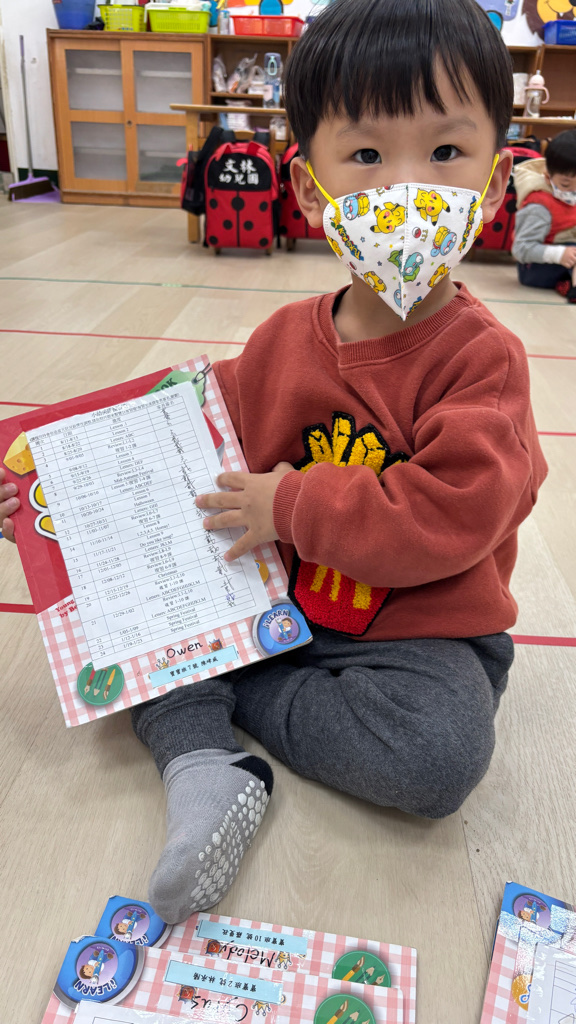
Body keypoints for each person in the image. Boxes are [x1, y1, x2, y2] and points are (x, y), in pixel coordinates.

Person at [0, 0, 547, 925]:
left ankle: (220, 705)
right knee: (128, 615)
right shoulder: (280, 342)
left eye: (445, 153)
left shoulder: (482, 359)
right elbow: (178, 438)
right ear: (308, 187)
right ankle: (206, 765)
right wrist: (52, 488)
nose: (405, 188)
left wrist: (291, 506)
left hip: (420, 630)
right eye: (366, 154)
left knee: (439, 761)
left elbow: (455, 511)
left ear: (494, 185)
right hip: (276, 602)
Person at [512, 129, 576, 303]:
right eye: (566, 184)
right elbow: (521, 249)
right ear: (548, 177)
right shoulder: (539, 208)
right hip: (535, 270)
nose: (573, 191)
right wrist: (559, 254)